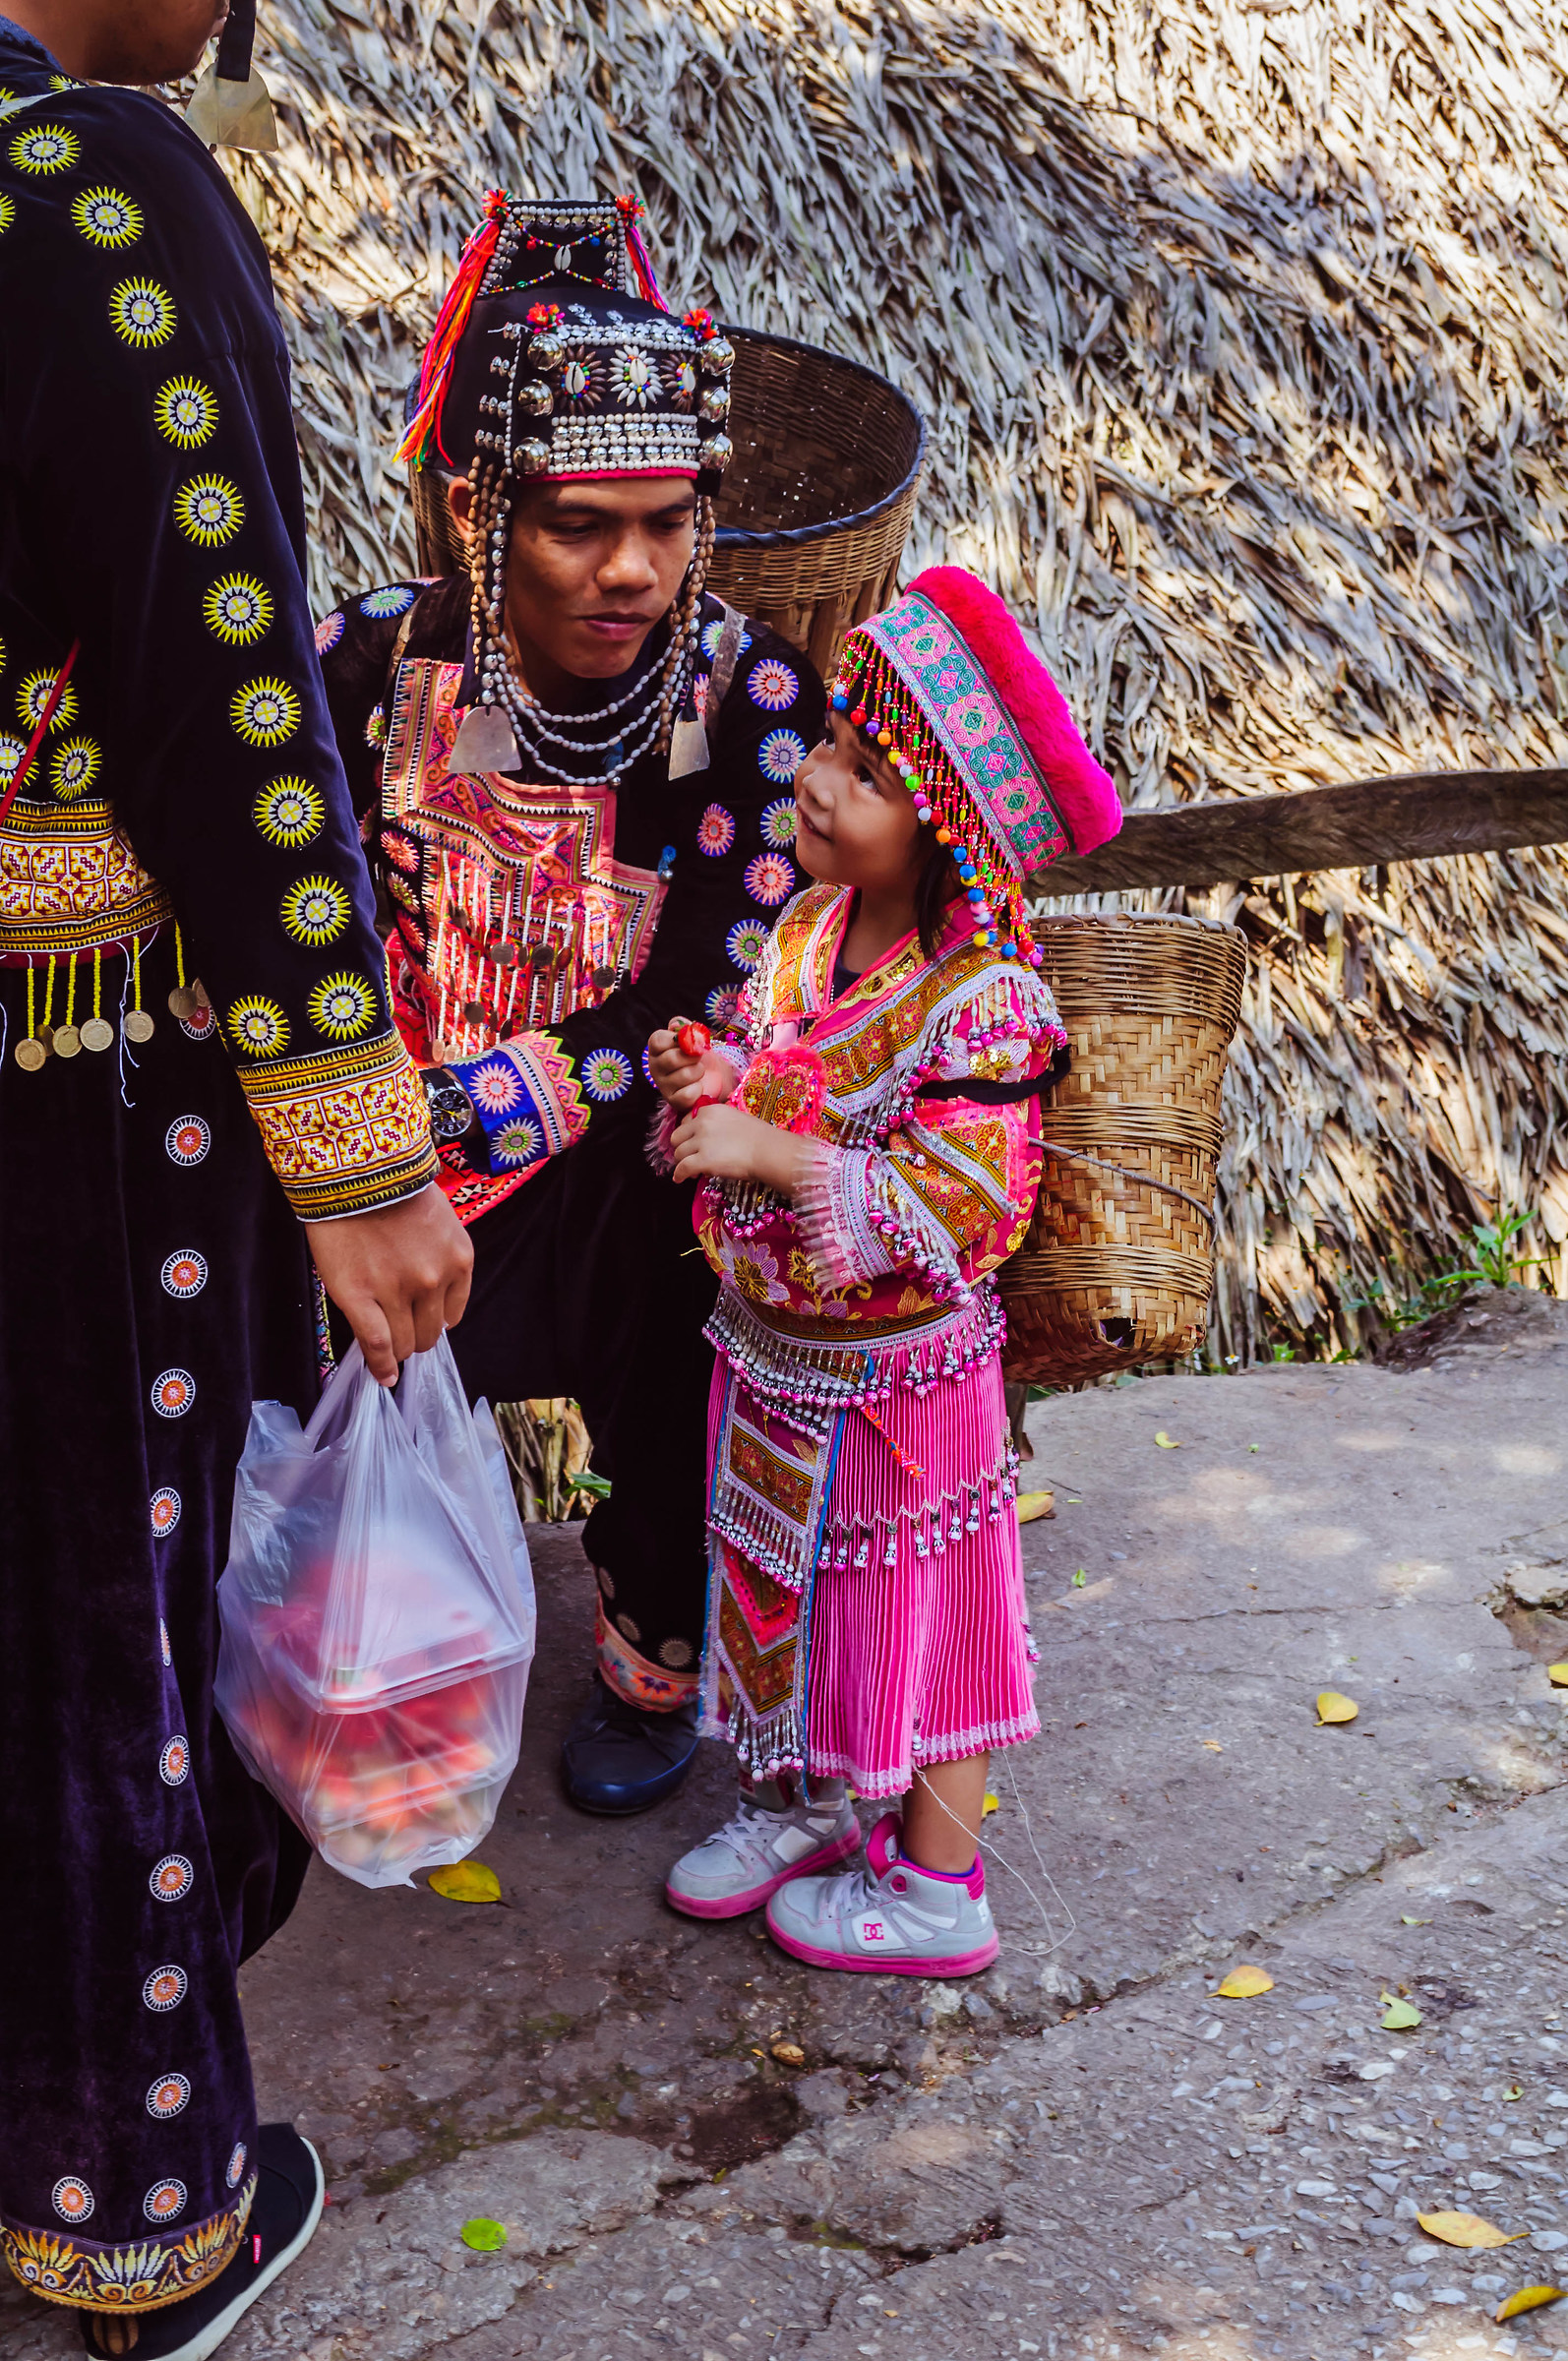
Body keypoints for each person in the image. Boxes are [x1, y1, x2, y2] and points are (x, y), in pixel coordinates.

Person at [0, 4, 471, 2354]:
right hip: (64, 1081)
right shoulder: (88, 180)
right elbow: (230, 692)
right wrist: (357, 1148)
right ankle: (137, 2196)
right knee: (97, 1602)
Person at [318, 193, 824, 1815]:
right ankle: (336, 1633)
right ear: (481, 514)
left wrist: (495, 1104)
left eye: (668, 524)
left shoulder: (743, 700)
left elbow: (710, 976)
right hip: (384, 1132)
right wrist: (373, 1121)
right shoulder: (367, 668)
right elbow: (294, 908)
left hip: (610, 1141)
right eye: (578, 526)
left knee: (680, 1264)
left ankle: (652, 1635)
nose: (631, 571)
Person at [648, 567, 1122, 1972]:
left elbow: (963, 1207)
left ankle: (934, 1889)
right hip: (775, 1354)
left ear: (946, 830)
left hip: (898, 1385)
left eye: (861, 769)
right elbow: (778, 1082)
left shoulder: (982, 1004)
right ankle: (799, 1798)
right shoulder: (803, 936)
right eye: (831, 747)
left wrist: (771, 1155)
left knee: (923, 1620)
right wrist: (713, 1073)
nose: (813, 778)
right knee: (770, 1579)